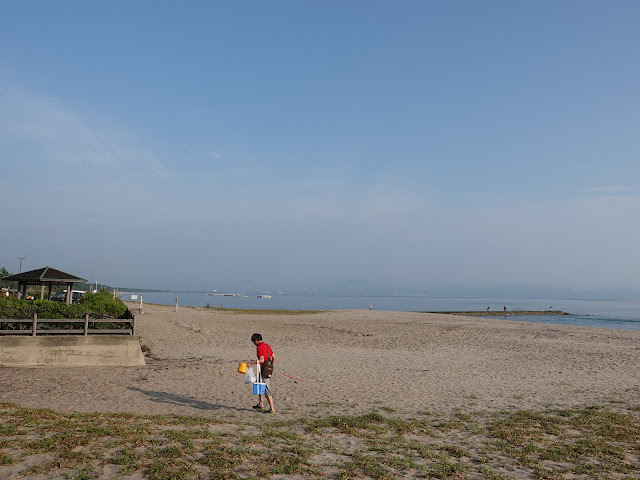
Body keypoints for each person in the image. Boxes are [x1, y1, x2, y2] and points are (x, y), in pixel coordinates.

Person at [246, 333, 276, 414]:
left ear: (256, 340)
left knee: (266, 389)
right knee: (259, 384)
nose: (254, 344)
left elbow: (262, 360)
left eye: (253, 342)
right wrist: (271, 366)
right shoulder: (267, 346)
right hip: (266, 369)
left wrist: (251, 363)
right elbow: (274, 357)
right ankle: (260, 403)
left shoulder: (259, 347)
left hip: (263, 370)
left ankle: (272, 409)